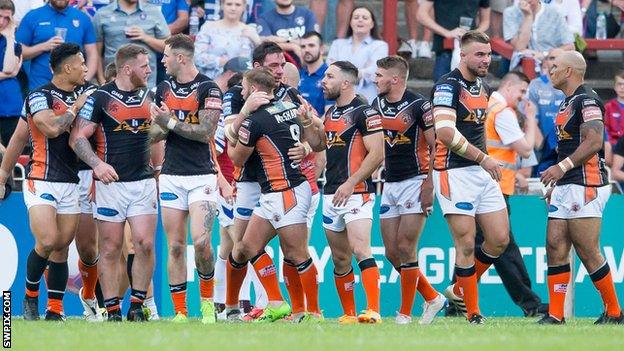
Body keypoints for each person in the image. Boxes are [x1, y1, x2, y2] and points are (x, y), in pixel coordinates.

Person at [224, 67, 325, 322]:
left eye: (245, 88)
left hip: (287, 191)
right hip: (273, 193)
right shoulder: (289, 106)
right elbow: (318, 140)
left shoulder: (254, 120)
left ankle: (313, 312)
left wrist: (242, 116)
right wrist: (306, 141)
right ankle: (277, 302)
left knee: (297, 253)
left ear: (254, 90)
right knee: (247, 247)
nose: (242, 92)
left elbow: (236, 158)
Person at [0, 43, 92, 321]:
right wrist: (3, 174)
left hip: (71, 181)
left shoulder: (86, 93)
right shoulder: (40, 97)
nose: (86, 68)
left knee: (62, 246)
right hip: (41, 178)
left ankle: (54, 310)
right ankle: (30, 299)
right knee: (48, 239)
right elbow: (49, 129)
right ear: (67, 68)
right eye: (81, 63)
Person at [70, 44, 159, 322]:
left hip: (143, 182)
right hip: (111, 185)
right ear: (127, 68)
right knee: (109, 247)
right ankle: (111, 310)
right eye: (145, 66)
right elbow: (77, 138)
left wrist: (158, 169)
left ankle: (136, 305)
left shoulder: (150, 96)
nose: (149, 70)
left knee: (144, 244)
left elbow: (157, 137)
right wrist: (97, 164)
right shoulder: (100, 98)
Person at [538, 51, 623, 325]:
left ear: (570, 72)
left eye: (556, 66)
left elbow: (594, 141)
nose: (551, 70)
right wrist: (559, 181)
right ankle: (555, 314)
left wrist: (560, 168)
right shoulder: (567, 103)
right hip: (566, 184)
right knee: (554, 245)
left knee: (587, 250)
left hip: (585, 182)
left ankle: (614, 312)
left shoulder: (587, 99)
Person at [431, 31, 509, 324]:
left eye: (488, 54)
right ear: (462, 55)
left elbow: (475, 132)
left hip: (481, 171)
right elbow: (446, 133)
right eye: (479, 54)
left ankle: (457, 288)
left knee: (499, 239)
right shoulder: (447, 86)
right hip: (454, 171)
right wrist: (483, 158)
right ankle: (473, 313)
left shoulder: (484, 87)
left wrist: (483, 160)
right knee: (466, 244)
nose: (486, 60)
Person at [221, 42, 301, 321]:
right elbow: (231, 137)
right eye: (274, 66)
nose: (280, 71)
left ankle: (297, 308)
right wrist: (246, 109)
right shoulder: (235, 94)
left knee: (293, 251)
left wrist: (305, 147)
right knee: (241, 247)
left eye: (282, 65)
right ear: (257, 68)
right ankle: (233, 307)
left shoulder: (290, 93)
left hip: (284, 181)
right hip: (249, 183)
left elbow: (308, 129)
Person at [148, 34, 222, 324]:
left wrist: (169, 122)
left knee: (202, 242)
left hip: (201, 174)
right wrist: (157, 125)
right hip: (171, 175)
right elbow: (155, 134)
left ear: (181, 58)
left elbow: (206, 132)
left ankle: (206, 303)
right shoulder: (163, 88)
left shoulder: (208, 88)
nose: (162, 61)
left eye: (166, 56)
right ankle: (179, 311)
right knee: (176, 245)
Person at [372, 55, 446, 325]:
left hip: (415, 181)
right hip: (389, 183)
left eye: (379, 75)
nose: (374, 79)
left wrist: (430, 183)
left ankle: (404, 314)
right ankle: (432, 297)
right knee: (392, 252)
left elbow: (435, 145)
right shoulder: (377, 103)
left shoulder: (419, 105)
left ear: (395, 79)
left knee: (406, 247)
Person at [321, 61, 384, 324]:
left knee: (361, 249)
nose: (323, 80)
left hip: (356, 192)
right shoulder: (329, 113)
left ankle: (373, 310)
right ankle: (348, 313)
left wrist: (351, 182)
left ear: (345, 83)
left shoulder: (364, 113)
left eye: (329, 76)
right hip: (330, 193)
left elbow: (378, 153)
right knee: (339, 258)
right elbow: (320, 146)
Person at [484, 71, 547, 316]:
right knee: (500, 246)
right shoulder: (503, 112)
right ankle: (531, 304)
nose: (522, 98)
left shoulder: (489, 106)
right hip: (495, 188)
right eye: (521, 91)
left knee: (488, 247)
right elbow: (526, 147)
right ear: (508, 85)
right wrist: (531, 118)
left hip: (491, 186)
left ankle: (456, 298)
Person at [16, 0, 98, 90]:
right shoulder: (33, 16)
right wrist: (43, 47)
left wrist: (84, 81)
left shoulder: (82, 18)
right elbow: (18, 52)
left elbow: (92, 54)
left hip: (74, 88)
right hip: (40, 86)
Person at [92, 0, 170, 88]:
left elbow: (168, 47)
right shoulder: (102, 14)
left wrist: (145, 37)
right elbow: (96, 53)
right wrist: (102, 80)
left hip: (147, 85)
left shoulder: (153, 12)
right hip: (114, 84)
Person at [417, 0, 491, 82]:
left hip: (471, 50)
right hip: (444, 48)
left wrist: (473, 34)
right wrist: (446, 32)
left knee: (472, 91)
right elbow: (421, 15)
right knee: (442, 90)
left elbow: (486, 21)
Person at [327, 6, 388, 103]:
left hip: (368, 100)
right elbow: (330, 70)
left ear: (372, 24)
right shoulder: (337, 44)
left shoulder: (380, 45)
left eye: (365, 18)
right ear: (350, 22)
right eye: (356, 17)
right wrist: (361, 71)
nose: (360, 20)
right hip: (339, 101)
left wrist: (341, 72)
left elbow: (373, 72)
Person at [194, 0, 260, 79]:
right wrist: (223, 62)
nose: (233, 8)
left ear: (244, 7)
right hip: (210, 82)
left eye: (238, 5)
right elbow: (197, 57)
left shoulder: (250, 30)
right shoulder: (208, 27)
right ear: (222, 5)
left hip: (241, 82)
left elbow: (259, 59)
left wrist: (257, 41)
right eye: (229, 4)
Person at [503, 0, 574, 72]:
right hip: (524, 67)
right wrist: (528, 17)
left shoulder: (555, 12)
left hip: (553, 65)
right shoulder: (510, 13)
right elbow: (519, 47)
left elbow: (570, 46)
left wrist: (544, 54)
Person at [527, 47, 566, 176]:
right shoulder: (535, 85)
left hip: (566, 146)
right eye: (551, 58)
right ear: (545, 62)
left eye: (559, 58)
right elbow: (531, 117)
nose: (554, 62)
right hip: (542, 147)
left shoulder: (571, 85)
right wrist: (543, 148)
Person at [0, 0, 23, 147]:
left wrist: (9, 37)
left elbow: (8, 68)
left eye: (7, 18)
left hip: (9, 106)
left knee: (10, 157)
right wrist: (8, 75)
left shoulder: (14, 44)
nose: (1, 22)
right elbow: (10, 72)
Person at [298, 31, 329, 116]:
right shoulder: (298, 75)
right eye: (303, 46)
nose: (306, 50)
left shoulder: (329, 76)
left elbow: (329, 113)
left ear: (322, 49)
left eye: (311, 45)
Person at [604, 70, 624, 146]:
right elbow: (605, 129)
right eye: (619, 84)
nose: (622, 87)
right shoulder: (609, 107)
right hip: (613, 145)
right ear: (615, 87)